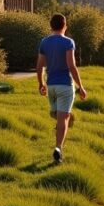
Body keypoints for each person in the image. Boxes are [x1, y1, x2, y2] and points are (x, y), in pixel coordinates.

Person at [37, 13, 88, 165]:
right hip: (65, 85)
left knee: (60, 116)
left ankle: (63, 119)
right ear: (65, 26)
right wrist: (81, 86)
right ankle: (58, 148)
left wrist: (41, 83)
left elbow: (39, 66)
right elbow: (71, 66)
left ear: (51, 26)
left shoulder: (44, 42)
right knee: (62, 119)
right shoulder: (68, 42)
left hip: (51, 86)